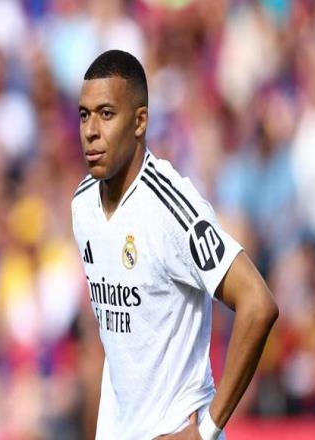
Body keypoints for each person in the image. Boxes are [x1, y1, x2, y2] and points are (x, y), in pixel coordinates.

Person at [71, 50, 278, 440]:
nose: (91, 131)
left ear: (140, 121)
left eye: (106, 114)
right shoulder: (82, 205)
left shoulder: (171, 209)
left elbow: (258, 302)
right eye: (84, 115)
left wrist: (207, 430)